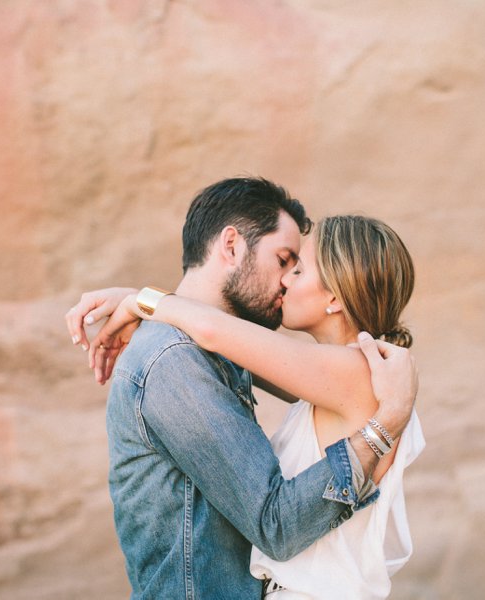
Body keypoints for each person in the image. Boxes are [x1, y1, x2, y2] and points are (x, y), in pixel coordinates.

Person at [65, 178, 419, 599]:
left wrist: (144, 301)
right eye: (285, 260)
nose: (287, 280)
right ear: (231, 247)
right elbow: (217, 335)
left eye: (298, 268)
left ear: (335, 298)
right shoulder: (176, 358)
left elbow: (215, 331)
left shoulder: (350, 369)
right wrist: (141, 301)